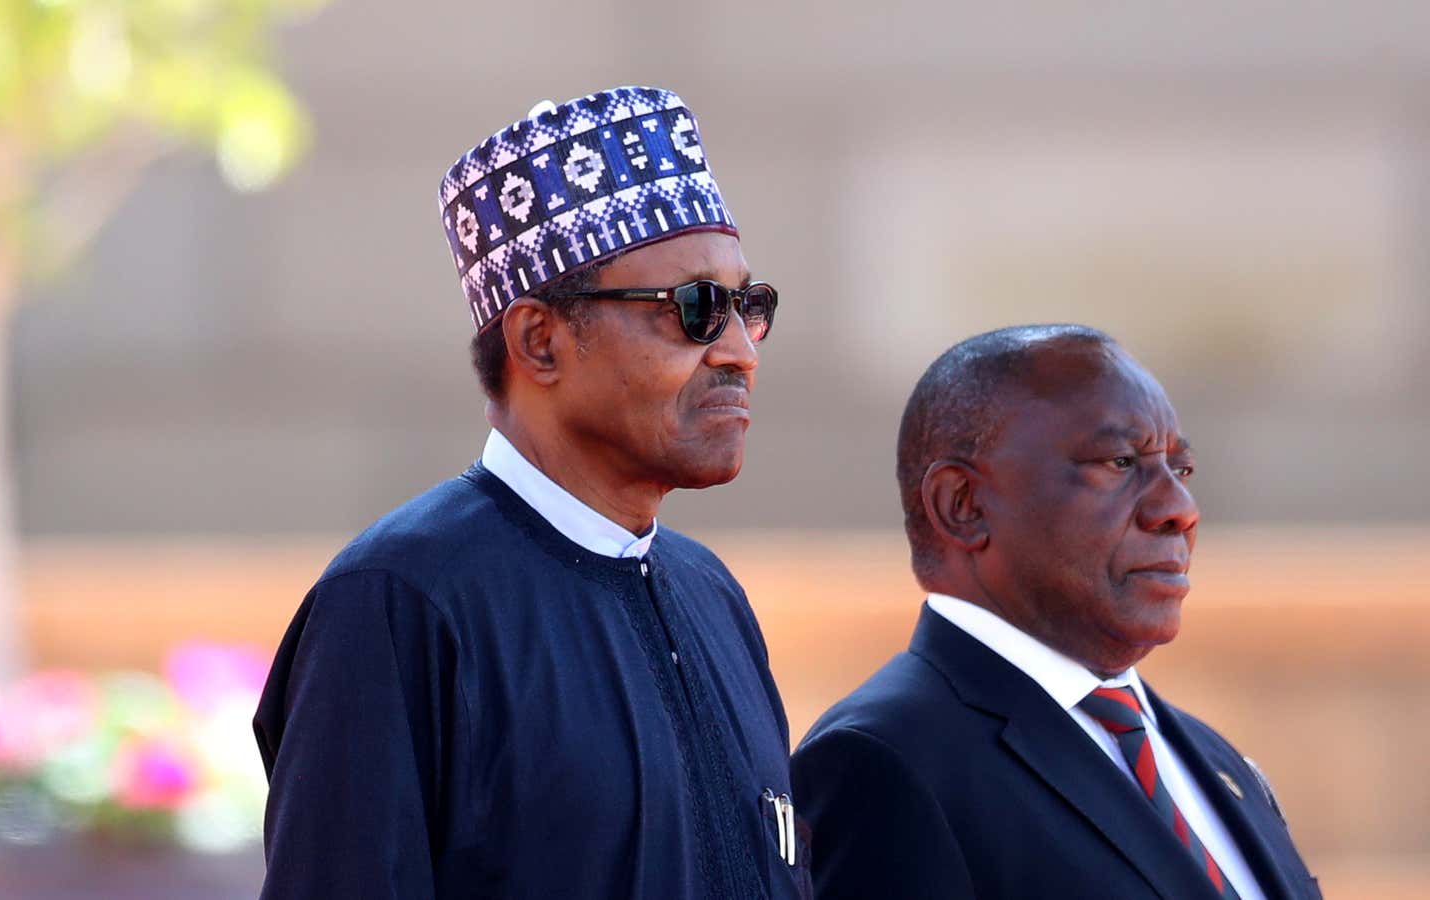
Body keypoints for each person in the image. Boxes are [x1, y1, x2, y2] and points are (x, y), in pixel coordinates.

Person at [253, 86, 810, 899]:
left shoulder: (709, 594)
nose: (739, 353)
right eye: (693, 309)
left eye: (746, 307)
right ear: (539, 341)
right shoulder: (400, 603)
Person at [790, 325, 1322, 900]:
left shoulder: (1212, 760)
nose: (1179, 509)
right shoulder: (884, 763)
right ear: (963, 506)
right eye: (1121, 461)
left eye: (1181, 469)